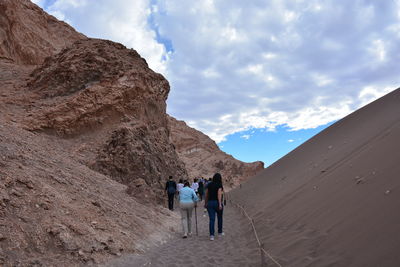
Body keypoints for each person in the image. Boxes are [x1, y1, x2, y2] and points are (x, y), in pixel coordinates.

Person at [204, 173, 224, 241]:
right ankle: (219, 232)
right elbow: (219, 194)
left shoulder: (209, 184)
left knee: (212, 219)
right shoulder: (219, 185)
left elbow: (206, 194)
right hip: (217, 202)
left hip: (210, 203)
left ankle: (211, 235)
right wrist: (220, 204)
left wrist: (206, 203)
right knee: (220, 218)